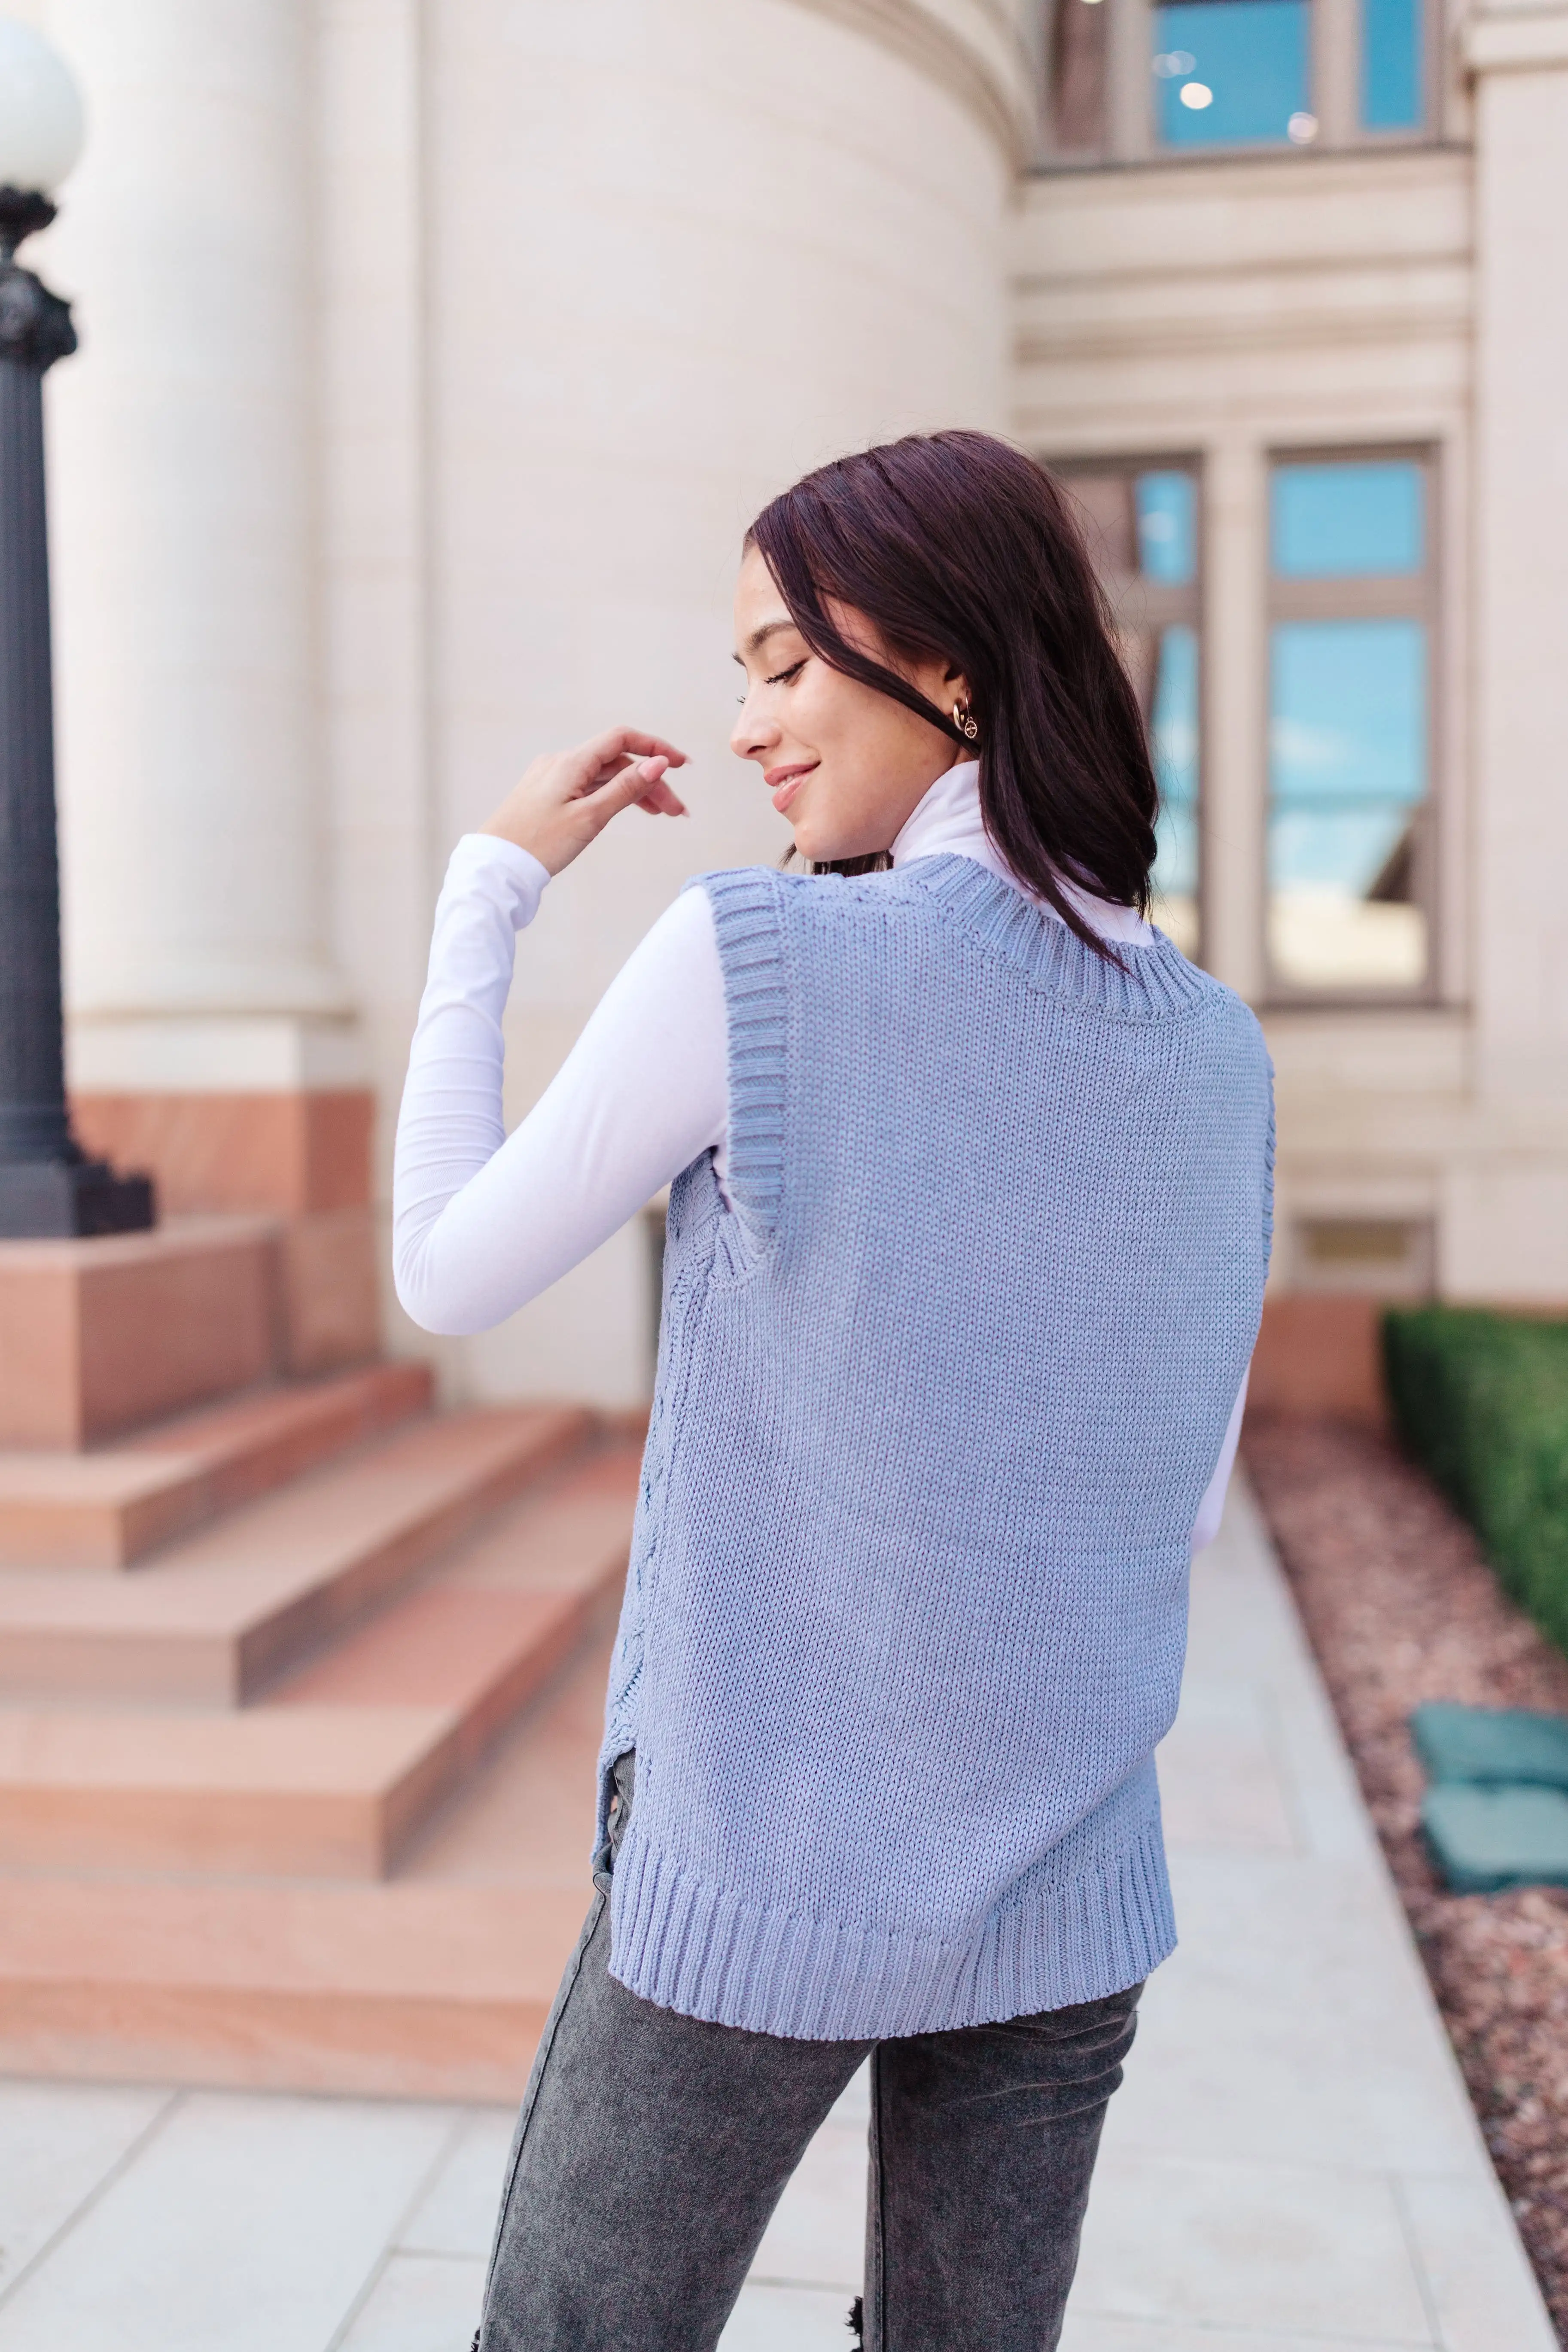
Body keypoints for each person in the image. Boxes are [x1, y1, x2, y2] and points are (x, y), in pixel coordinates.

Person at [393, 429, 1273, 2352]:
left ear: (955, 664)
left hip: (763, 1865)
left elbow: (444, 1267)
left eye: (786, 661)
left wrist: (488, 895)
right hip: (1067, 1878)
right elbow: (1177, 1493)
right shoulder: (1220, 1052)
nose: (751, 722)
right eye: (743, 674)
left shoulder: (763, 952)